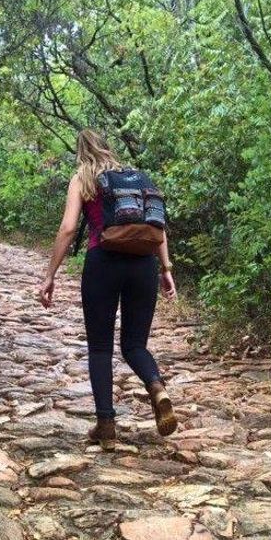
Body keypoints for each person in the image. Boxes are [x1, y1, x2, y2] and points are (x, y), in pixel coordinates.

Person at [38, 128, 178, 449]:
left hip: (103, 261)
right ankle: (157, 387)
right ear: (107, 147)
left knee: (100, 347)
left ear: (81, 151)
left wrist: (50, 275)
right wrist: (166, 268)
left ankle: (106, 425)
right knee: (135, 345)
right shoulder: (137, 178)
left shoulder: (83, 179)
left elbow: (68, 228)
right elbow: (158, 226)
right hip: (144, 264)